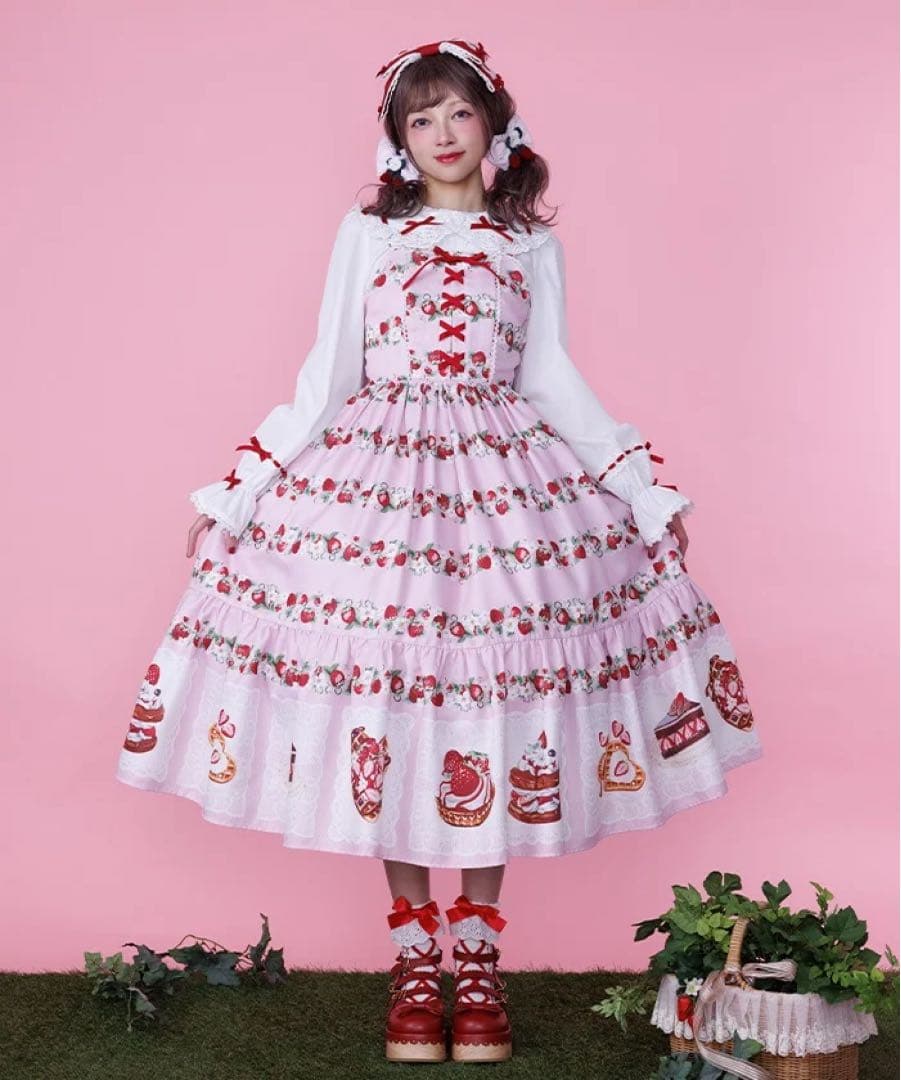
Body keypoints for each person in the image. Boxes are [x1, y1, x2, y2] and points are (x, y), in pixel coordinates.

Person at [115, 38, 763, 1064]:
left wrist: (637, 488)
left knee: (490, 702)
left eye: (458, 112)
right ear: (398, 141)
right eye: (420, 119)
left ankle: (478, 957)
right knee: (392, 700)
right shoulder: (370, 234)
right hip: (382, 485)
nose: (443, 134)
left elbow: (550, 377)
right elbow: (327, 372)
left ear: (493, 122)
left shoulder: (528, 244)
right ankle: (415, 958)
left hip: (503, 487)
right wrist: (243, 487)